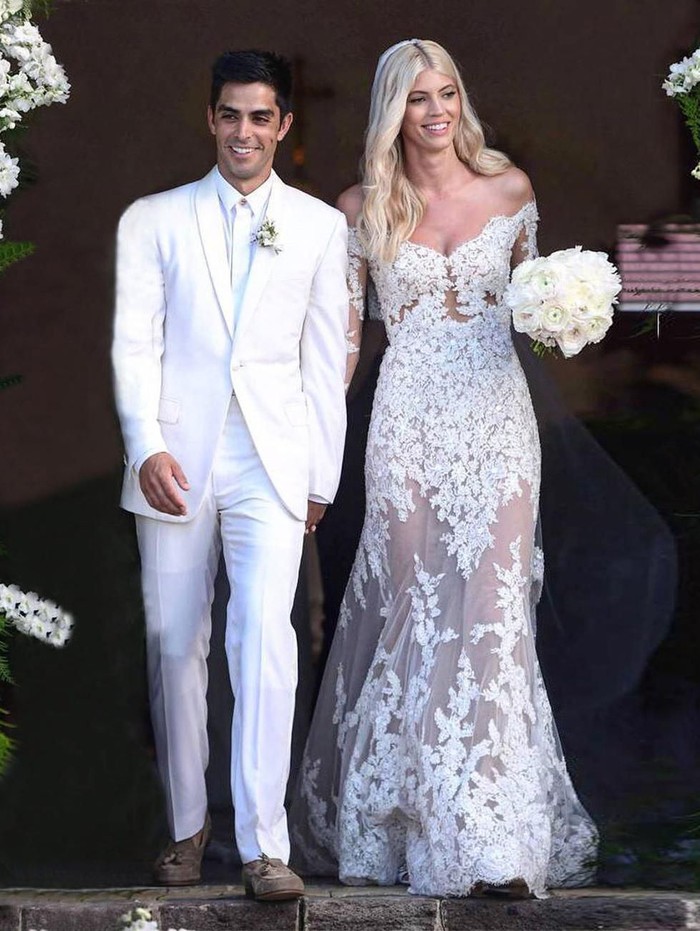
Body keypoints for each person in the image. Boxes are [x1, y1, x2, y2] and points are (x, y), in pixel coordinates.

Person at [290, 39, 598, 898]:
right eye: (418, 97)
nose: (436, 111)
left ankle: (491, 835)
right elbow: (342, 348)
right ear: (393, 110)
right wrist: (304, 452)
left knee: (493, 610)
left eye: (448, 93)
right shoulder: (361, 207)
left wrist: (568, 313)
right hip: (406, 423)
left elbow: (535, 306)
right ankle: (403, 819)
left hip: (498, 419)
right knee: (414, 609)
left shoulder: (511, 189)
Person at [112, 49, 349, 900]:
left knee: (264, 640)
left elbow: (325, 359)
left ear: (283, 125)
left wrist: (319, 476)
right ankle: (185, 826)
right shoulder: (152, 219)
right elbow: (134, 343)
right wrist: (146, 445)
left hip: (273, 460)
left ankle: (263, 846)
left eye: (260, 116)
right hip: (175, 457)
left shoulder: (321, 226)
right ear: (209, 119)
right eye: (230, 115)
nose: (243, 131)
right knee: (176, 642)